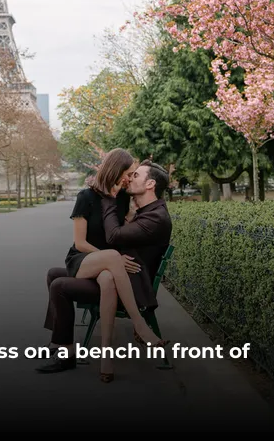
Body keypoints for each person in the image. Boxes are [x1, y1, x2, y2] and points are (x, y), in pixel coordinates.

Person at [37, 157, 172, 381]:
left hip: (109, 269)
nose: (129, 179)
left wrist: (128, 214)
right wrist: (114, 257)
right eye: (128, 173)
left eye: (133, 175)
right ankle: (137, 325)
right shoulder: (86, 197)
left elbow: (120, 234)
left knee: (95, 275)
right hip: (84, 257)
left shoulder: (120, 200)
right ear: (116, 171)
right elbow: (81, 243)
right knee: (102, 262)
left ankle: (96, 355)